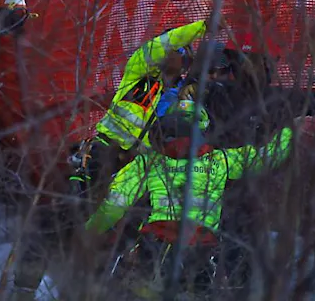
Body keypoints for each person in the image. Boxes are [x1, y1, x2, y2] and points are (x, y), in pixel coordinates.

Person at [85, 100, 299, 293]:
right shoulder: (221, 160)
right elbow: (269, 157)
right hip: (201, 253)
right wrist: (291, 130)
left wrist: (84, 236)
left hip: (155, 249)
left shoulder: (148, 163)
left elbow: (112, 208)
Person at [70, 19, 213, 197]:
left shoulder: (180, 93)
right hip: (107, 149)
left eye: (182, 53)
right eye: (177, 49)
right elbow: (164, 44)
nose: (181, 58)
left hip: (136, 165)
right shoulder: (138, 71)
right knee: (82, 200)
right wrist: (203, 27)